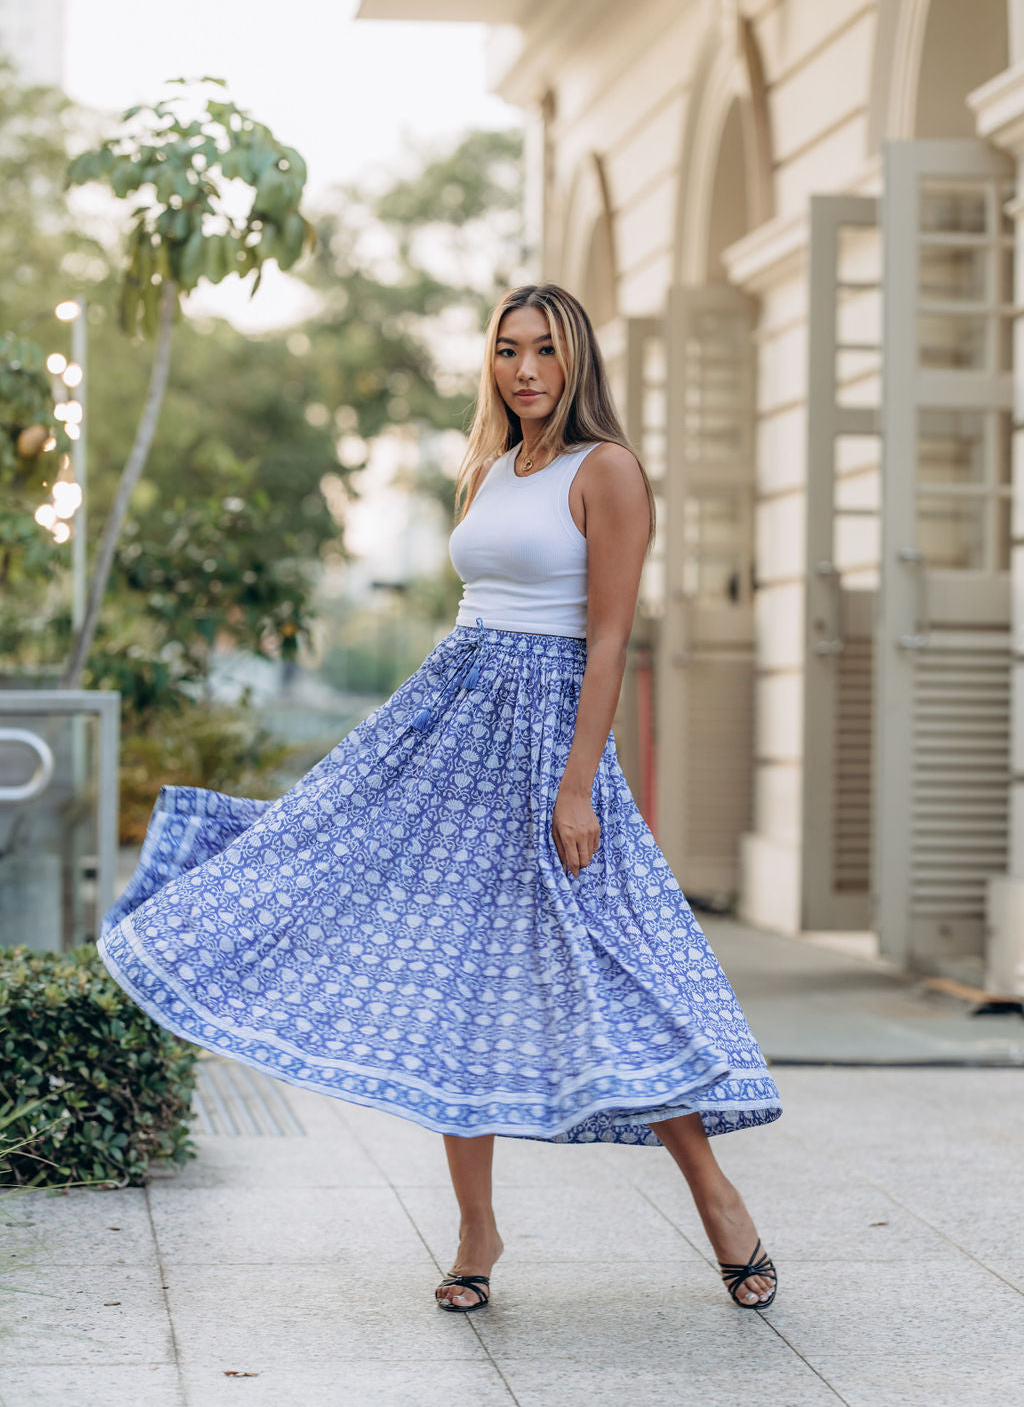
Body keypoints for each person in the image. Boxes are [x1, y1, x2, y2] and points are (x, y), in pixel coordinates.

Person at [98, 282, 781, 1318]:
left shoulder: (609, 472)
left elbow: (606, 639)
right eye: (507, 350)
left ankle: (718, 1200)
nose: (524, 370)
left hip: (552, 737)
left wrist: (576, 784)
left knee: (614, 973)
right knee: (444, 971)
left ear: (576, 361)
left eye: (544, 351)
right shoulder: (493, 469)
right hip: (455, 726)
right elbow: (477, 614)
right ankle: (476, 1231)